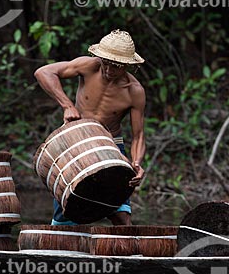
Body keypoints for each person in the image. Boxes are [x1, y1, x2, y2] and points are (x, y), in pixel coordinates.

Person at [34, 29, 146, 226]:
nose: (110, 70)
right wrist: (67, 105)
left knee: (121, 216)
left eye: (117, 67)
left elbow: (138, 136)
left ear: (129, 66)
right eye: (107, 63)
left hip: (109, 145)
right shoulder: (88, 66)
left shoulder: (134, 91)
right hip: (77, 142)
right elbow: (44, 72)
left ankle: (125, 253)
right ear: (100, 58)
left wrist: (136, 163)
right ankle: (59, 253)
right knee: (67, 212)